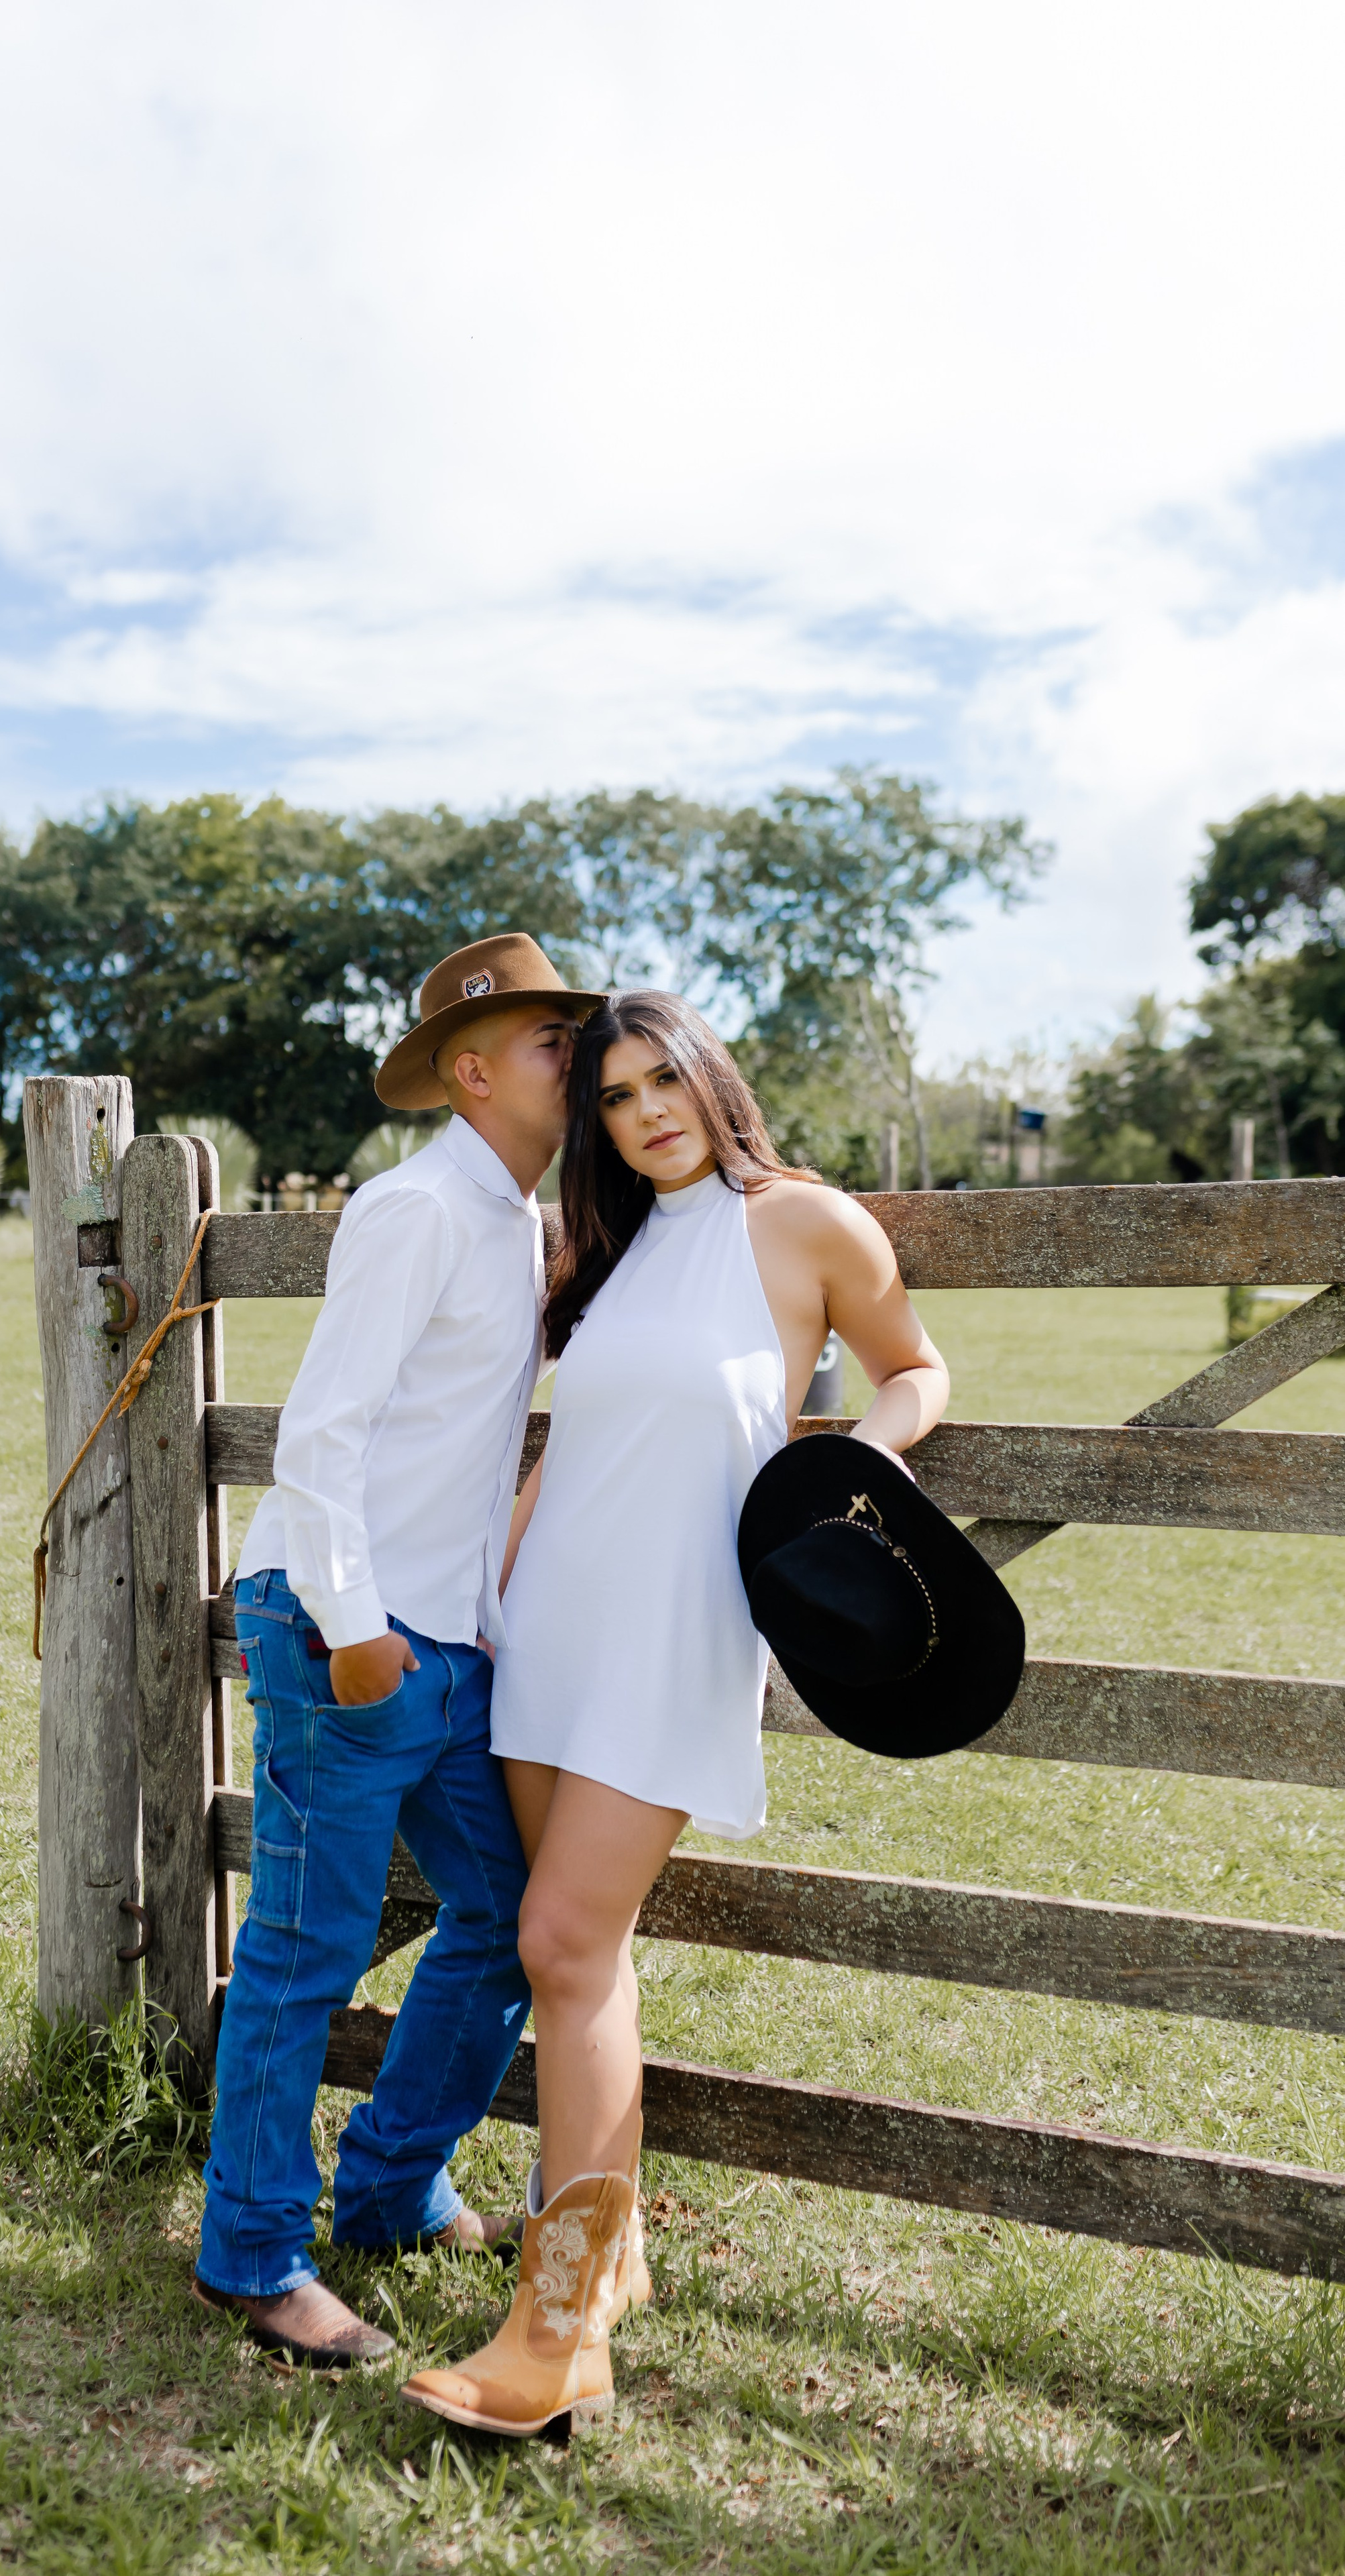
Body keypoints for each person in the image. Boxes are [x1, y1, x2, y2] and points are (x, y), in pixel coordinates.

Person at [401, 989, 950, 2435]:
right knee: (584, 1956)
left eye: (663, 1081)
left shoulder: (808, 1225)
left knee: (558, 1940)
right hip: (550, 1629)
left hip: (676, 1633)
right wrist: (485, 1598)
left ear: (712, 1079)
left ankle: (558, 2325)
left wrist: (856, 1469)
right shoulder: (607, 1242)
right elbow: (560, 1451)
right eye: (613, 1098)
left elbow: (915, 1367)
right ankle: (615, 2254)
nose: (645, 1113)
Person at [193, 932, 603, 2368]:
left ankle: (381, 2186)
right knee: (305, 1954)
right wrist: (356, 1628)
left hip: (449, 1643)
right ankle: (251, 2253)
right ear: (474, 1071)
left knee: (502, 1922)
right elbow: (325, 1431)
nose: (582, 1057)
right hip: (345, 1634)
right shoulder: (416, 1208)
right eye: (556, 1041)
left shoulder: (514, 1223)